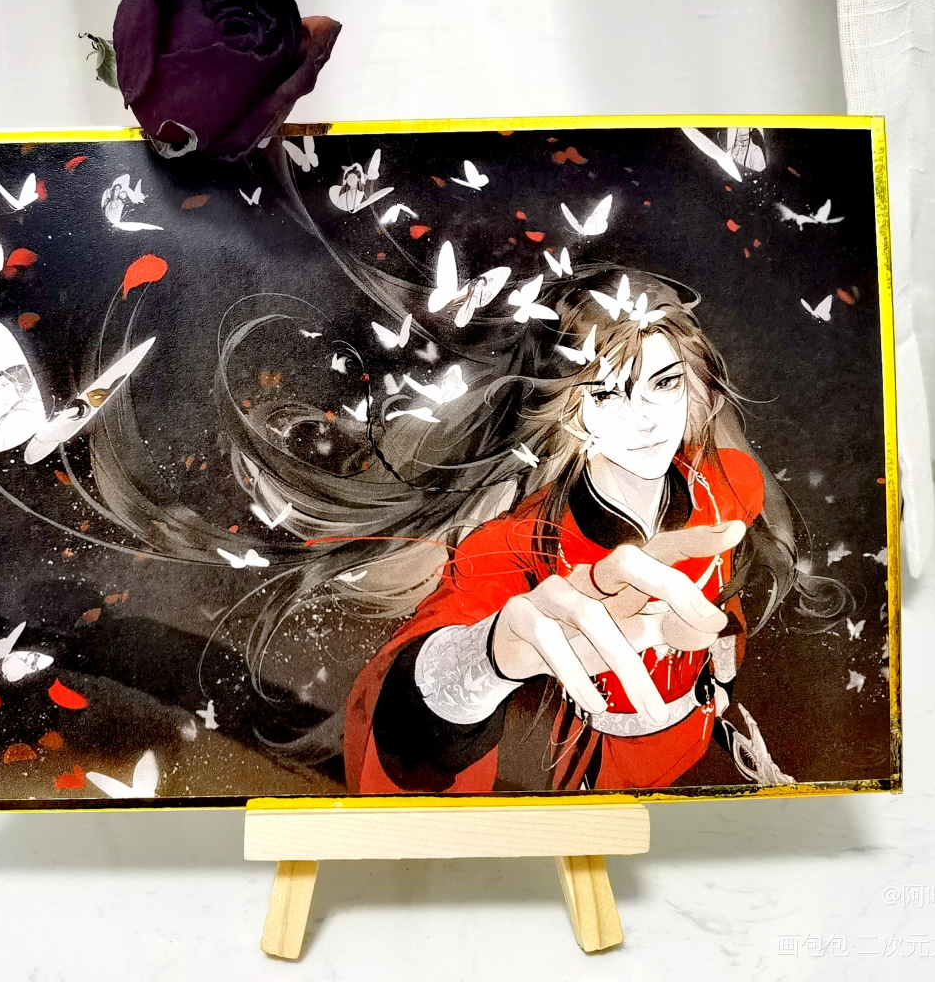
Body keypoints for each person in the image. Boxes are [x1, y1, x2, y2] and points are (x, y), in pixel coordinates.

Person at [341, 266, 837, 794]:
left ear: (694, 385)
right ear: (569, 410)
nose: (645, 419)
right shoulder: (517, 544)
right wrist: (488, 659)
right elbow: (411, 715)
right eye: (606, 394)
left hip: (696, 734)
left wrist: (719, 662)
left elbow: (724, 591)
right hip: (595, 773)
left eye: (664, 383)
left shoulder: (729, 481)